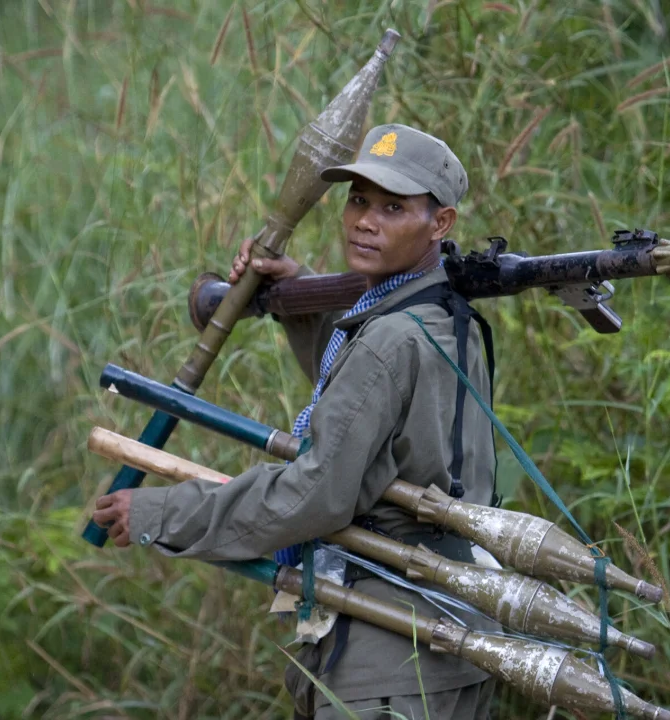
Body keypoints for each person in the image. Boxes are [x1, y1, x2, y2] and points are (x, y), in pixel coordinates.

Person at [93, 124, 498, 719]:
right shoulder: (443, 319)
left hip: (387, 663)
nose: (365, 220)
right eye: (358, 200)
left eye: (393, 207)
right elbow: (371, 411)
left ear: (441, 224)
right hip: (454, 638)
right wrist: (299, 300)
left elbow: (317, 492)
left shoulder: (388, 342)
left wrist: (161, 512)